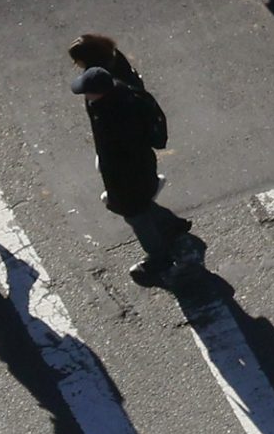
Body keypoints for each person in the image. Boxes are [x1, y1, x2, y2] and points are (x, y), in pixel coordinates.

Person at [73, 63, 198, 287]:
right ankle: (172, 225)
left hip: (128, 175)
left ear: (100, 91)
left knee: (135, 215)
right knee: (139, 206)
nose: (85, 96)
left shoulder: (115, 114)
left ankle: (159, 257)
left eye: (87, 91)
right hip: (135, 169)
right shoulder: (115, 97)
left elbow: (123, 154)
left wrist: (116, 188)